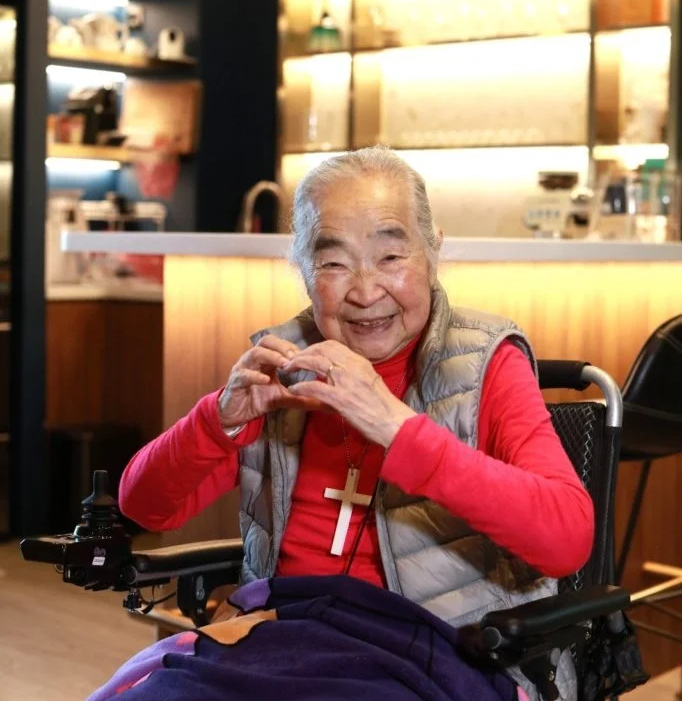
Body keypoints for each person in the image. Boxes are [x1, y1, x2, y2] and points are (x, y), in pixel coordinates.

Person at [120, 146, 593, 636]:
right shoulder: (287, 363)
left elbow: (568, 541)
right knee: (134, 690)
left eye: (390, 257)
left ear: (433, 252)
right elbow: (143, 507)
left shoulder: (486, 362)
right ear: (303, 270)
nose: (366, 293)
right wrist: (217, 421)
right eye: (334, 264)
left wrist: (398, 429)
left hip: (429, 655)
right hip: (281, 637)